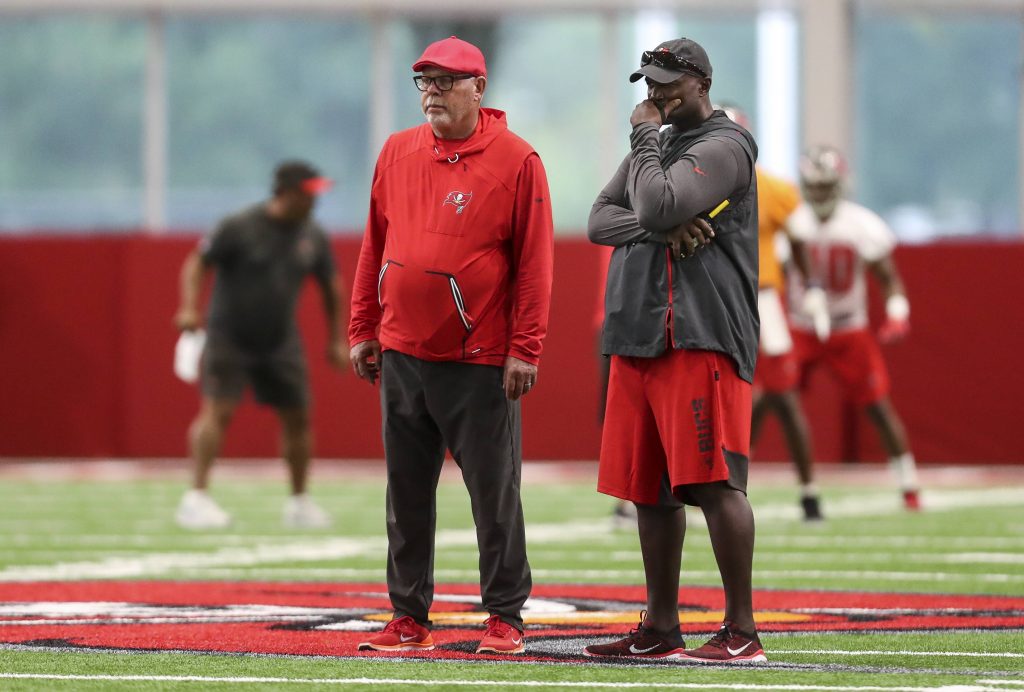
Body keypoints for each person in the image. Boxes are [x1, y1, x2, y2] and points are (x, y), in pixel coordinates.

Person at [348, 36, 554, 656]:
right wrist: (363, 328)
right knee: (406, 492)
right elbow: (373, 243)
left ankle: (505, 619)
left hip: (480, 358)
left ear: (478, 88)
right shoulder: (396, 150)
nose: (432, 92)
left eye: (444, 81)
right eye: (424, 82)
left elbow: (536, 265)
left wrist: (526, 347)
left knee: (493, 494)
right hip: (403, 350)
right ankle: (408, 617)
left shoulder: (518, 160)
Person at [583, 38, 766, 664]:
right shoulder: (657, 146)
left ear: (700, 81)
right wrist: (660, 224)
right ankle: (662, 627)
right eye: (648, 82)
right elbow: (599, 220)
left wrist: (648, 163)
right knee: (649, 491)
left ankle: (742, 631)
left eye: (666, 82)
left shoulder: (725, 145)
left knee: (716, 484)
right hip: (639, 332)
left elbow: (658, 199)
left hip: (700, 330)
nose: (653, 93)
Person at [173, 160, 348, 530]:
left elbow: (331, 285)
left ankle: (299, 502)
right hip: (229, 336)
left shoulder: (312, 235)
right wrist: (189, 307)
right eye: (308, 193)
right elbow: (196, 263)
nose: (314, 201)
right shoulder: (240, 226)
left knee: (298, 417)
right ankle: (196, 498)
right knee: (217, 412)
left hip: (280, 340)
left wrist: (337, 339)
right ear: (285, 192)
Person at [785, 144, 921, 510]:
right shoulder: (792, 222)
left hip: (848, 328)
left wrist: (897, 312)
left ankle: (909, 484)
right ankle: (732, 481)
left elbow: (889, 278)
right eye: (814, 186)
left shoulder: (861, 224)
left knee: (877, 405)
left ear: (841, 185)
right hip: (800, 326)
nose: (819, 194)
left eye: (826, 186)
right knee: (770, 399)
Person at [717, 104, 824, 522]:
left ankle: (809, 490)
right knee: (706, 395)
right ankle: (704, 484)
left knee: (781, 395)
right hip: (712, 299)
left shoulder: (774, 189)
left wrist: (812, 285)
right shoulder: (692, 181)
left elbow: (798, 241)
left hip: (759, 297)